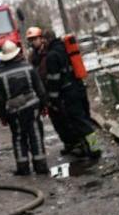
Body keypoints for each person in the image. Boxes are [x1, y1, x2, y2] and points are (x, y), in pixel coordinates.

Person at [27, 27, 101, 160]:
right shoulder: (63, 48)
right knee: (83, 120)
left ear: (46, 39)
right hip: (78, 88)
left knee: (81, 123)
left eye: (43, 39)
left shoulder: (51, 56)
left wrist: (53, 99)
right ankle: (90, 148)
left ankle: (95, 149)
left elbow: (54, 79)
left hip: (68, 93)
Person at [0, 40, 49, 175]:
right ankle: (40, 165)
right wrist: (44, 105)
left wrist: (2, 116)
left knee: (18, 137)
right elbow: (39, 88)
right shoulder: (28, 68)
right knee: (35, 134)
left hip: (14, 111)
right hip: (32, 107)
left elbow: (0, 99)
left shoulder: (0, 75)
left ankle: (23, 167)